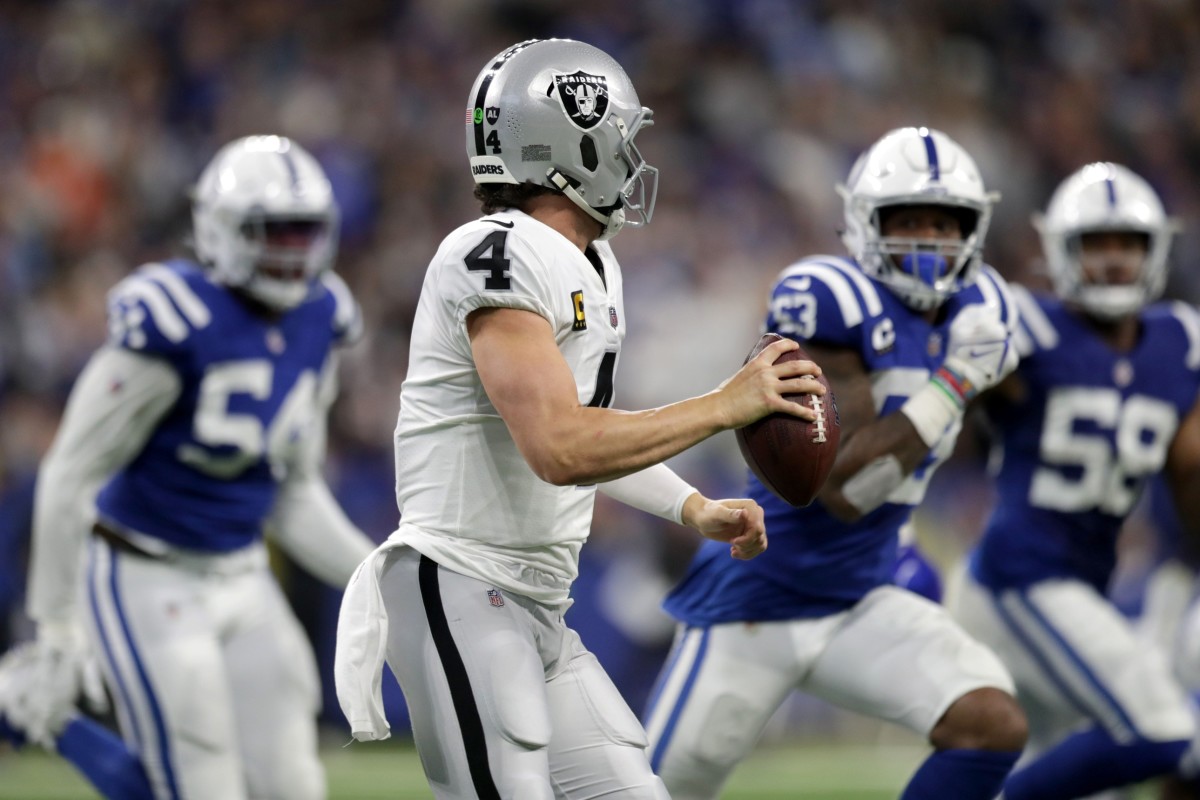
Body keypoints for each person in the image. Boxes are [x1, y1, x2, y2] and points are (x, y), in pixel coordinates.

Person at [332, 38, 826, 799]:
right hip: (463, 587)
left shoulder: (590, 261)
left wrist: (689, 506)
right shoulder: (491, 253)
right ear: (574, 143)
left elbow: (589, 425)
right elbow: (559, 447)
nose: (631, 158)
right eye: (622, 137)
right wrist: (725, 405)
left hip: (537, 605)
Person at [643, 126, 1029, 800]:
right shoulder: (827, 299)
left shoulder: (986, 306)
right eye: (907, 221)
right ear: (864, 224)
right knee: (649, 793)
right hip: (762, 598)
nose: (928, 243)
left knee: (991, 723)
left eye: (945, 224)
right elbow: (841, 489)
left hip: (862, 593)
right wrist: (954, 383)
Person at [0, 134, 377, 800]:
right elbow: (69, 473)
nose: (293, 251)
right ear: (221, 229)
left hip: (243, 571)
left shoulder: (322, 316)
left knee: (294, 784)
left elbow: (292, 492)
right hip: (145, 572)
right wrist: (55, 626)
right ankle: (48, 711)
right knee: (202, 785)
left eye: (304, 233)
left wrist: (377, 577)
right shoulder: (173, 317)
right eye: (273, 232)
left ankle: (49, 715)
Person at [948, 161, 1200, 798]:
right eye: (1097, 244)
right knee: (1161, 729)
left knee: (1096, 781)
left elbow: (1190, 471)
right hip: (1017, 578)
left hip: (1079, 586)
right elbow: (944, 401)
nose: (1114, 260)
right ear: (1062, 251)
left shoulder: (1179, 341)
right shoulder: (1027, 325)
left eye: (1128, 243)